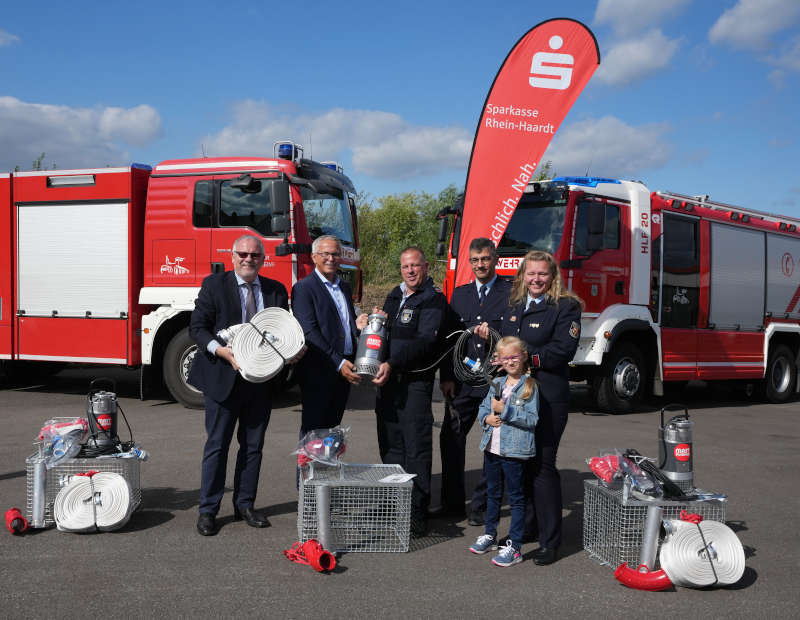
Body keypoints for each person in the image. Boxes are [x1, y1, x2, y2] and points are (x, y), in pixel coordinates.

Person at [188, 234, 301, 536]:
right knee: (217, 446)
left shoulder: (276, 290)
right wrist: (221, 351)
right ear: (232, 256)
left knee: (253, 448)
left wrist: (292, 351)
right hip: (223, 379)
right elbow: (197, 328)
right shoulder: (214, 285)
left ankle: (245, 505)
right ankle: (208, 511)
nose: (249, 259)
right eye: (243, 254)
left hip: (261, 382)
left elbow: (282, 331)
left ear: (263, 260)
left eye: (255, 256)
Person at [478, 249, 581, 565]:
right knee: (521, 464)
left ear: (552, 277)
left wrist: (524, 359)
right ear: (523, 276)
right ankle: (529, 529)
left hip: (548, 397)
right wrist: (501, 358)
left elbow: (564, 349)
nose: (536, 279)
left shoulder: (566, 306)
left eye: (542, 274)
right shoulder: (515, 306)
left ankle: (551, 541)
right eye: (531, 273)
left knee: (543, 467)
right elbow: (508, 345)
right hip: (516, 396)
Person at [366, 247, 448, 537]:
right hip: (388, 384)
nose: (410, 271)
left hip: (415, 384)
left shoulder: (434, 300)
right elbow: (384, 333)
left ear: (425, 267)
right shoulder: (393, 294)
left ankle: (416, 512)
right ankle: (391, 504)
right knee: (390, 446)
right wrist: (372, 325)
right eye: (405, 267)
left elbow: (425, 342)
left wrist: (392, 362)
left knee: (416, 449)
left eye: (415, 266)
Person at [437, 238, 512, 525]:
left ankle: (481, 506)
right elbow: (449, 340)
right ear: (470, 262)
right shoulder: (460, 294)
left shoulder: (510, 292)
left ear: (495, 259)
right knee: (450, 439)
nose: (480, 264)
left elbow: (513, 337)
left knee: (492, 444)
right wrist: (446, 377)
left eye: (485, 259)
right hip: (463, 381)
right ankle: (452, 504)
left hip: (494, 383)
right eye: (475, 260)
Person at [468, 336, 539, 567]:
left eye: (514, 357)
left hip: (515, 452)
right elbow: (483, 409)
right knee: (493, 493)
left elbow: (532, 419)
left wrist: (505, 411)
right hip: (492, 448)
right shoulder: (497, 383)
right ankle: (490, 535)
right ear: (499, 359)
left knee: (516, 498)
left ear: (523, 357)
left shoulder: (529, 386)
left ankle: (515, 547)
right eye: (505, 357)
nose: (510, 361)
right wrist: (487, 417)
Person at [291, 235, 360, 435]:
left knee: (331, 432)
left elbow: (343, 325)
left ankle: (327, 467)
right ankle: (308, 468)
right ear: (314, 257)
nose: (331, 258)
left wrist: (358, 326)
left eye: (336, 254)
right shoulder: (304, 288)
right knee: (313, 435)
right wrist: (338, 362)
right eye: (325, 254)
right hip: (319, 370)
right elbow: (309, 331)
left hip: (344, 369)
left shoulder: (344, 287)